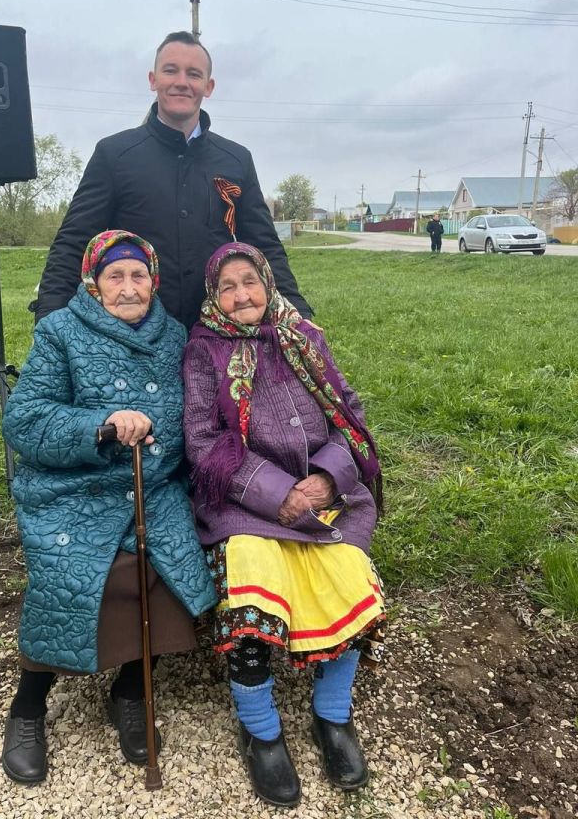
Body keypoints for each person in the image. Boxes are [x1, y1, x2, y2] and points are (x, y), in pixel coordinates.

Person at [0, 229, 217, 784]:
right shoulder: (60, 333)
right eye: (114, 276)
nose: (127, 287)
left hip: (154, 487)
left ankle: (130, 690)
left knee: (174, 566)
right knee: (66, 578)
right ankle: (28, 708)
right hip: (73, 487)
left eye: (137, 275)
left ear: (154, 281)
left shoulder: (176, 337)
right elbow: (24, 422)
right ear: (94, 286)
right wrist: (98, 426)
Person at [182, 242, 385, 807]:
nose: (242, 294)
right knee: (251, 588)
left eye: (250, 281)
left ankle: (333, 717)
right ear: (214, 297)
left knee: (346, 577)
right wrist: (277, 494)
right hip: (246, 504)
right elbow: (203, 441)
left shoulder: (304, 337)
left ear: (268, 283)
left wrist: (325, 479)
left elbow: (350, 413)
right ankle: (260, 729)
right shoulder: (203, 351)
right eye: (228, 286)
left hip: (326, 498)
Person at [35, 31, 312, 329]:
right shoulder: (114, 154)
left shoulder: (236, 159)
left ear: (209, 86)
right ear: (153, 79)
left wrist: (298, 315)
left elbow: (264, 246)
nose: (182, 82)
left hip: (217, 330)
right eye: (171, 70)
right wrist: (50, 318)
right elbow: (74, 241)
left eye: (194, 74)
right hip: (132, 330)